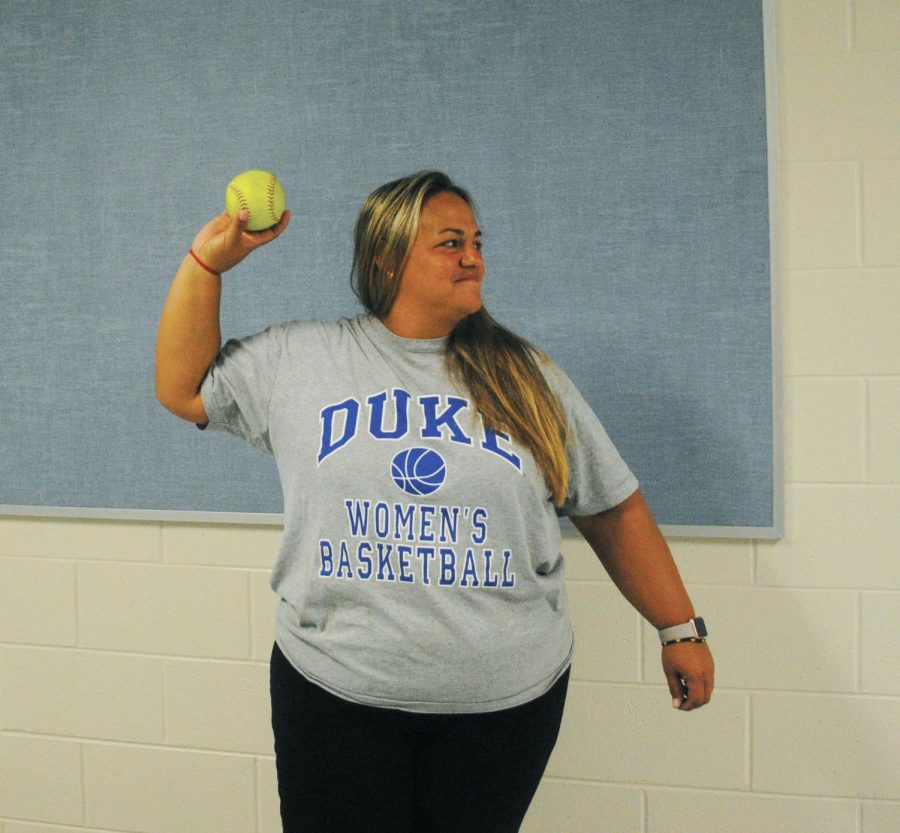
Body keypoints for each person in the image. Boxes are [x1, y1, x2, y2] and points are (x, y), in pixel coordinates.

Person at [155, 170, 714, 833]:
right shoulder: (301, 360)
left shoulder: (528, 378)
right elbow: (183, 388)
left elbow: (611, 508)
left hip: (502, 708)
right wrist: (206, 264)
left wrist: (680, 627)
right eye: (451, 242)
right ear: (388, 258)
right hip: (335, 692)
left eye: (477, 240)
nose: (473, 256)